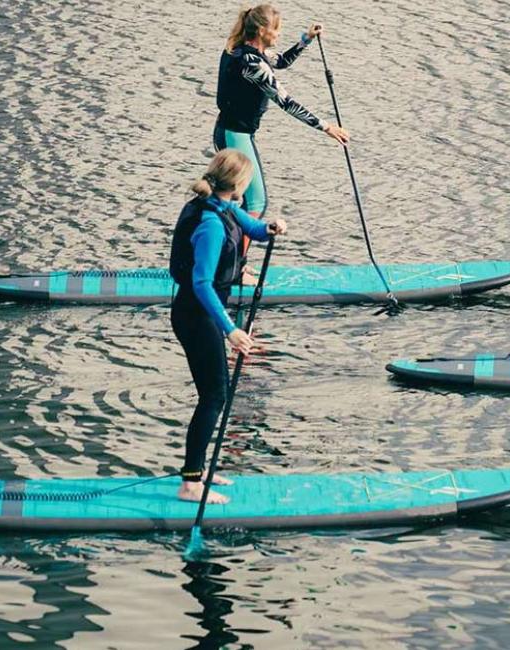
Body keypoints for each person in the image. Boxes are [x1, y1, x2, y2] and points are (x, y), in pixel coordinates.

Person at [168, 149, 288, 504]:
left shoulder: (222, 206)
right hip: (196, 316)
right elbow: (202, 283)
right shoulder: (209, 225)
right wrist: (229, 330)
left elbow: (252, 228)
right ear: (238, 183)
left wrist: (271, 227)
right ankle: (190, 483)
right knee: (214, 395)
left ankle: (198, 470)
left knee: (216, 394)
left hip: (202, 314)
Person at [214, 4, 348, 282]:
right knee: (256, 201)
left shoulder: (245, 50)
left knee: (247, 201)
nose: (278, 34)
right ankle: (234, 270)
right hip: (234, 135)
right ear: (262, 31)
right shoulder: (252, 65)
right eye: (276, 29)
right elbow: (286, 102)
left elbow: (282, 61)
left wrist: (305, 40)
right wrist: (326, 127)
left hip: (232, 132)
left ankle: (231, 261)